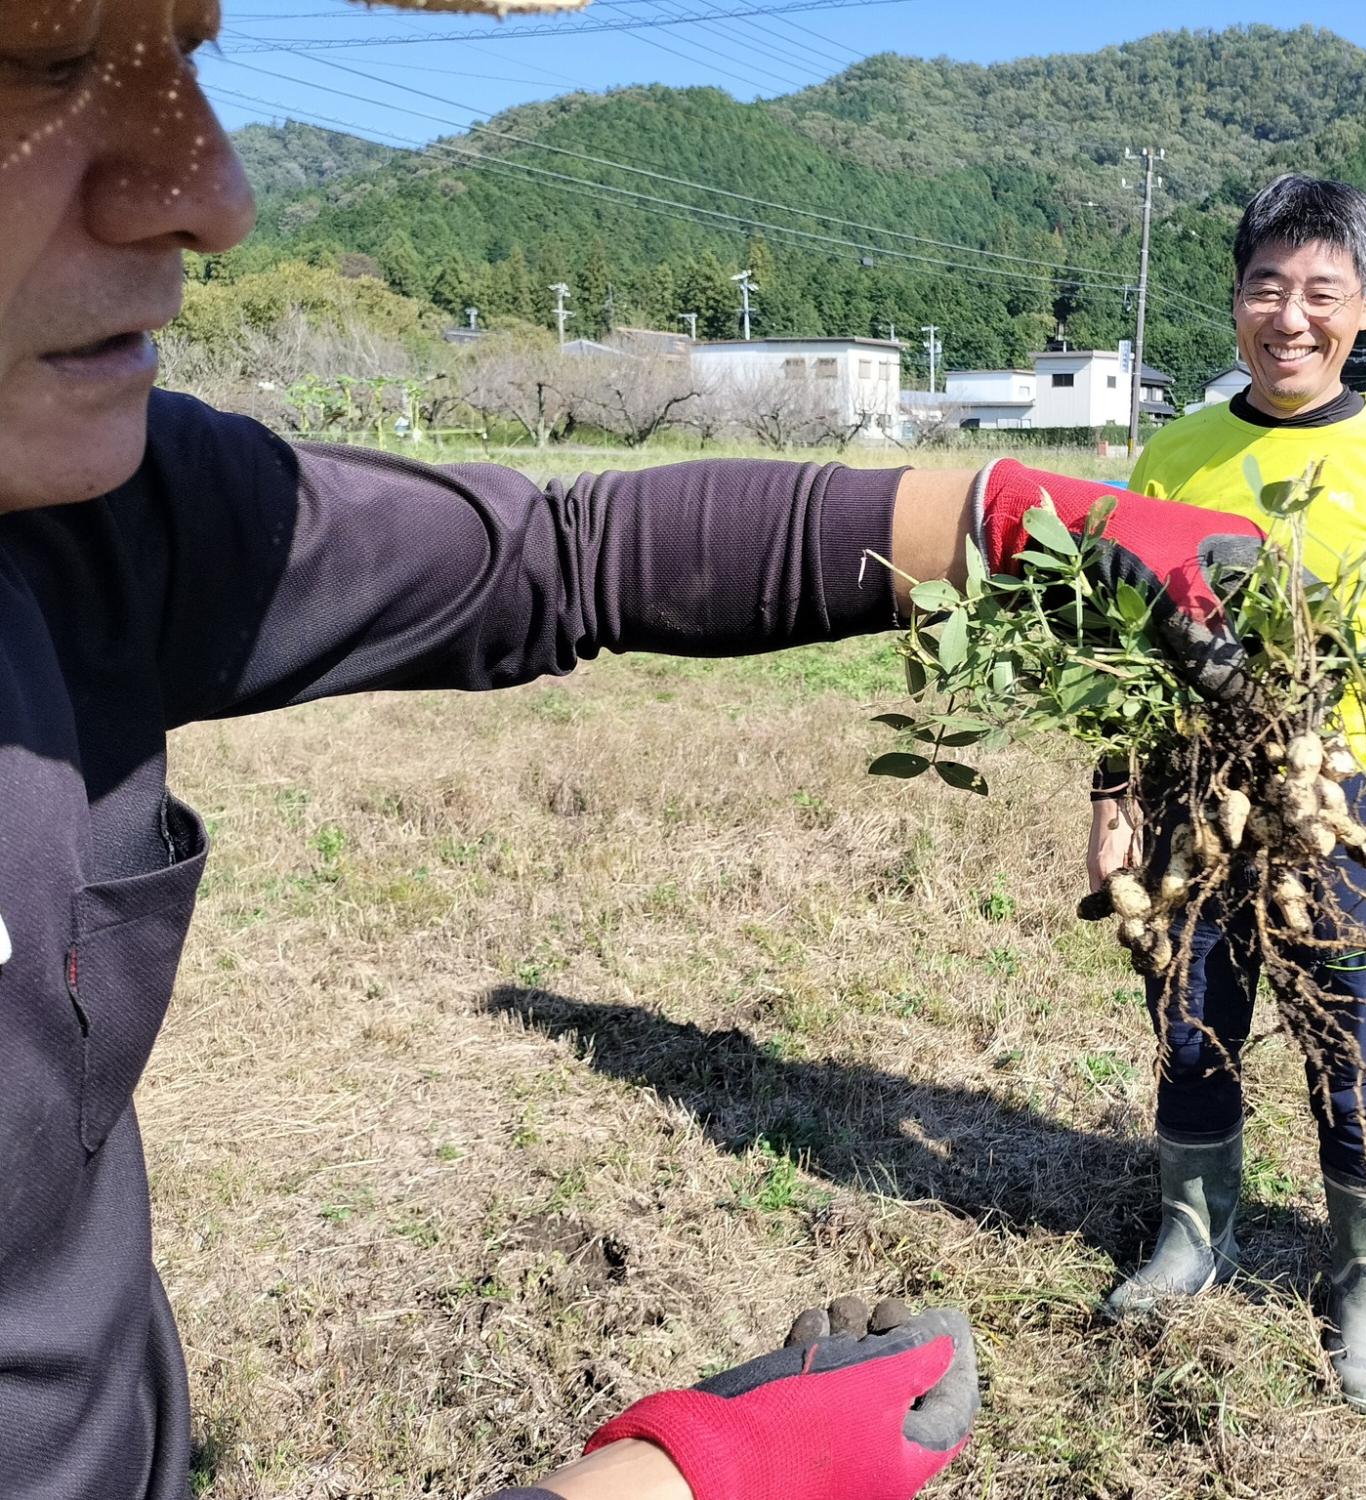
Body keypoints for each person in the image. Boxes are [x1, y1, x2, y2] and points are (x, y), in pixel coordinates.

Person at [0, 2, 1274, 1495]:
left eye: (190, 49)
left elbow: (565, 555)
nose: (211, 190)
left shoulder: (86, 525)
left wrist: (1008, 520)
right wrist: (678, 1481)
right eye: (48, 55)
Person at [1087, 175, 1366, 1414]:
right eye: (1267, 286)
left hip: (1346, 799)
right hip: (1192, 787)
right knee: (1190, 1021)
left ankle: (1362, 1284)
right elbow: (1117, 652)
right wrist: (1111, 796)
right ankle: (1190, 1237)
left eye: (1321, 291)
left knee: (1350, 1054)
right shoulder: (1177, 453)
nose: (1290, 316)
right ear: (1234, 298)